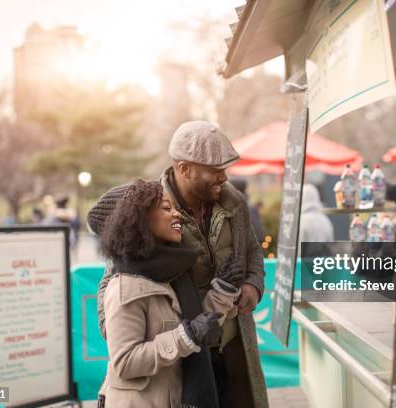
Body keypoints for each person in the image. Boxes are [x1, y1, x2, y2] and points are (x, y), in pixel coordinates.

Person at [89, 121, 268, 408]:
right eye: (214, 169)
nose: (224, 176)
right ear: (184, 169)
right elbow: (114, 278)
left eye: (225, 168)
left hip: (233, 345)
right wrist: (121, 334)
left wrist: (253, 284)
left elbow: (253, 250)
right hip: (182, 356)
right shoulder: (149, 210)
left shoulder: (234, 202)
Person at [97, 179, 243, 408]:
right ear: (140, 219)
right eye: (167, 208)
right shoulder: (125, 284)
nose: (177, 215)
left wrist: (223, 292)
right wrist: (185, 337)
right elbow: (125, 362)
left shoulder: (175, 270)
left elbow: (197, 327)